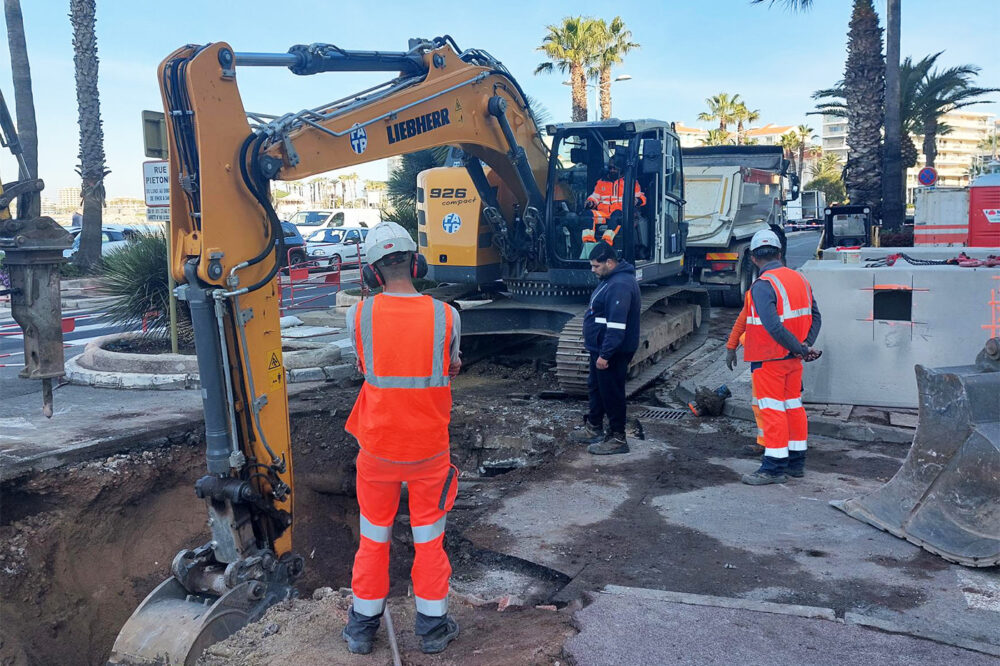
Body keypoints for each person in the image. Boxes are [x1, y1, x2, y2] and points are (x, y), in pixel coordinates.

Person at [341, 221, 462, 655]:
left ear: (373, 273)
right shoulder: (447, 316)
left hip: (377, 450)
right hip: (429, 451)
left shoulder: (359, 314)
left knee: (373, 539)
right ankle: (432, 630)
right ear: (416, 262)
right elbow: (452, 364)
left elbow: (361, 363)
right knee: (430, 541)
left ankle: (360, 630)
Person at [740, 229, 822, 485]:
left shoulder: (762, 286)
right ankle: (796, 463)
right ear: (779, 253)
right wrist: (805, 346)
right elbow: (816, 316)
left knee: (772, 410)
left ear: (753, 258)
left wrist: (799, 348)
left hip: (770, 358)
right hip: (792, 359)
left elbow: (773, 327)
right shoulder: (800, 279)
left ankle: (773, 468)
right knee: (793, 407)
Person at [570, 241, 641, 455]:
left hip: (612, 352)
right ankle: (594, 427)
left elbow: (617, 327)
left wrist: (605, 354)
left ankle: (618, 438)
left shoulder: (620, 285)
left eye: (596, 266)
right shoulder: (610, 279)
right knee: (596, 387)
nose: (593, 270)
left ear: (609, 262)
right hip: (600, 348)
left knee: (612, 392)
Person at [725, 300, 766, 455]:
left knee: (766, 403)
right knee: (766, 403)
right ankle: (768, 443)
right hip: (766, 355)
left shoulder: (763, 289)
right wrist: (731, 347)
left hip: (768, 357)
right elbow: (743, 320)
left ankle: (773, 448)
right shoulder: (758, 291)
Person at [582, 154, 646, 250]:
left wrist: (636, 200)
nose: (612, 170)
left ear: (621, 168)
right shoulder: (601, 182)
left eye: (614, 168)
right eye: (610, 168)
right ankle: (588, 243)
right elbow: (595, 197)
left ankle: (606, 243)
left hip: (621, 215)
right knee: (587, 214)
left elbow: (641, 197)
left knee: (617, 215)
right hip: (603, 215)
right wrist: (590, 202)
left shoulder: (630, 182)